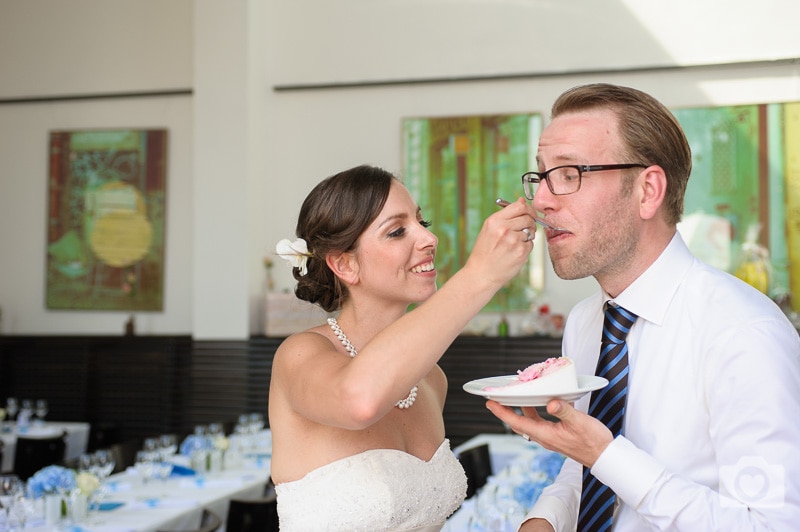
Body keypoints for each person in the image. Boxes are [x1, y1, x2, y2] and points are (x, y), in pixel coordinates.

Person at [486, 83, 800, 531]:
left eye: (570, 173)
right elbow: (588, 471)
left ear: (648, 190)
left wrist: (606, 453)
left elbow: (773, 525)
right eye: (541, 175)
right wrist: (546, 519)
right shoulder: (586, 320)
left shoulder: (743, 333)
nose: (540, 201)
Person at [268, 164, 538, 531]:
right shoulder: (299, 355)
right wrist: (480, 276)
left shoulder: (430, 379)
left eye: (421, 224)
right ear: (344, 264)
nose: (429, 240)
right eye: (397, 231)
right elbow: (359, 401)